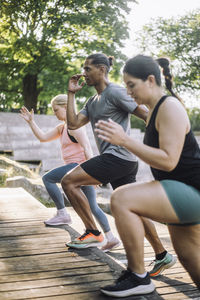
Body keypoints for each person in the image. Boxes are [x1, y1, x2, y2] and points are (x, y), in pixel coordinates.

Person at [95, 55, 200, 297]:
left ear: (150, 80)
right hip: (178, 191)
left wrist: (125, 140)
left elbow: (169, 160)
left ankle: (138, 276)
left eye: (131, 85)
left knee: (122, 198)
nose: (128, 91)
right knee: (189, 258)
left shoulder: (170, 107)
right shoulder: (154, 111)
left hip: (191, 191)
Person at [61, 53, 176, 268]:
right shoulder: (93, 100)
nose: (83, 73)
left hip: (117, 157)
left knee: (69, 181)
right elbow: (74, 123)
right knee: (136, 208)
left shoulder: (115, 92)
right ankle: (162, 255)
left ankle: (93, 232)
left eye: (88, 69)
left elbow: (145, 114)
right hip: (121, 160)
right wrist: (70, 94)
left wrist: (162, 143)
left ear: (102, 70)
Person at [20, 94, 120, 251]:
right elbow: (43, 138)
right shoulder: (62, 128)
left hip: (79, 167)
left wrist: (94, 175)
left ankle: (62, 214)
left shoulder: (76, 127)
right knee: (92, 206)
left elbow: (87, 148)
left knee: (48, 178)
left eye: (55, 110)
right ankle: (111, 238)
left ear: (66, 107)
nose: (54, 113)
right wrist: (31, 122)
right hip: (79, 170)